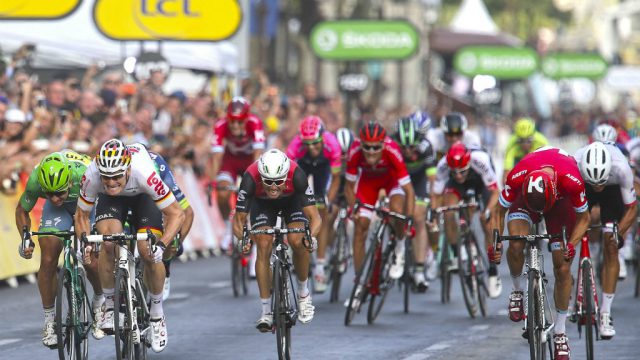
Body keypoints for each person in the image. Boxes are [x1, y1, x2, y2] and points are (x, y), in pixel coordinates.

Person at [74, 139, 185, 353]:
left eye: (116, 176)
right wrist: (85, 243)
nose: (111, 182)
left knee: (147, 250)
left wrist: (161, 245)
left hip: (144, 197)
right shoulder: (92, 175)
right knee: (108, 242)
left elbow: (176, 214)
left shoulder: (145, 174)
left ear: (127, 169)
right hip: (111, 202)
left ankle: (157, 314)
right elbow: (81, 215)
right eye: (106, 177)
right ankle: (109, 304)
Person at [489, 146, 591, 360]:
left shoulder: (571, 179)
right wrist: (496, 242)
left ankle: (560, 334)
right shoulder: (518, 175)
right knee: (516, 244)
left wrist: (570, 244)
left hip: (559, 204)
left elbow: (585, 218)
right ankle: (517, 291)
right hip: (524, 201)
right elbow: (498, 211)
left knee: (563, 267)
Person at [15, 150, 105, 348]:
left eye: (60, 192)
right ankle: (49, 321)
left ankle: (100, 301)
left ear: (70, 183)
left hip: (87, 203)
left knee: (91, 256)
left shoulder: (85, 173)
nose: (55, 198)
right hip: (59, 213)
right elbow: (22, 210)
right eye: (49, 194)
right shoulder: (36, 180)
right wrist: (25, 238)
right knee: (47, 259)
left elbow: (107, 199)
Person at [232, 149, 321, 331]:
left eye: (279, 182)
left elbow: (316, 217)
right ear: (261, 176)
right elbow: (239, 219)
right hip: (262, 204)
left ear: (285, 176)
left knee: (298, 241)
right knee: (263, 244)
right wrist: (243, 238)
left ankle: (303, 294)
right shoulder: (250, 177)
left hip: (292, 202)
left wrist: (311, 238)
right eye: (268, 182)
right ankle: (266, 311)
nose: (273, 187)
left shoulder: (297, 174)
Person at [574, 142, 637, 339]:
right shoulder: (574, 164)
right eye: (595, 183)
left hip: (614, 191)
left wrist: (618, 235)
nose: (597, 187)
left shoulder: (621, 168)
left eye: (600, 182)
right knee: (572, 231)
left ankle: (605, 313)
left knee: (610, 245)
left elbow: (632, 209)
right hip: (582, 186)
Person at [345, 122, 416, 296]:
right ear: (360, 144)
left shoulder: (392, 151)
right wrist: (354, 207)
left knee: (397, 211)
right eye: (367, 147)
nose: (370, 151)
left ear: (383, 145)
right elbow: (348, 187)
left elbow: (409, 190)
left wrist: (409, 218)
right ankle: (360, 281)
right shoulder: (354, 151)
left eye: (376, 147)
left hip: (392, 183)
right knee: (360, 226)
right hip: (368, 185)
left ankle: (399, 247)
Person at [431, 142, 502, 297]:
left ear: (468, 163)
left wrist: (488, 211)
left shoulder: (480, 160)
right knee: (449, 212)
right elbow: (436, 195)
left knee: (487, 221)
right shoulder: (443, 165)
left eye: (461, 172)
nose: (458, 175)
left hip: (480, 183)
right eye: (454, 172)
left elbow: (495, 192)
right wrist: (434, 215)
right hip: (456, 188)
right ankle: (457, 254)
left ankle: (492, 271)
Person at [286, 115, 341, 293]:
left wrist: (328, 200)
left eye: (315, 143)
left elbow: (335, 179)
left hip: (323, 170)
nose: (312, 147)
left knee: (322, 210)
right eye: (307, 144)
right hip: (303, 164)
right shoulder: (295, 146)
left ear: (322, 138)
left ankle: (320, 266)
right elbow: (287, 178)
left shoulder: (332, 144)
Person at [208, 96, 265, 252]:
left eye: (239, 122)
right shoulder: (220, 125)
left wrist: (254, 179)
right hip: (231, 161)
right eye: (231, 121)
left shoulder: (255, 123)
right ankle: (228, 228)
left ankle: (255, 240)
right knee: (222, 192)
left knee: (255, 195)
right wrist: (213, 182)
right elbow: (216, 157)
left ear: (246, 119)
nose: (234, 125)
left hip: (249, 160)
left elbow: (258, 153)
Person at [392, 116, 437, 291]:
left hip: (418, 181)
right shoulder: (392, 146)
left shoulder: (426, 147)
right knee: (393, 212)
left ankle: (418, 269)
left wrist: (432, 203)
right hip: (397, 180)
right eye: (404, 147)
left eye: (411, 146)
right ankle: (393, 249)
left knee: (419, 218)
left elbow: (432, 180)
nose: (408, 151)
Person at [148, 151, 195, 301]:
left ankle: (166, 266)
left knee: (170, 222)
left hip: (160, 201)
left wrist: (178, 241)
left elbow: (188, 213)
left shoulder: (163, 173)